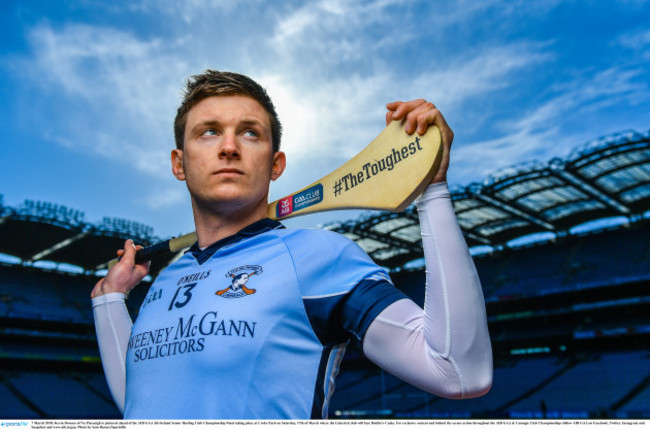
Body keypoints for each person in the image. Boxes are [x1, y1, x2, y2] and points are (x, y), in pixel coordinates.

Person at [91, 70, 492, 419]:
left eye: (250, 132)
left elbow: (458, 371)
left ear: (275, 164)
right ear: (179, 163)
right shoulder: (167, 278)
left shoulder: (320, 257)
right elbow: (140, 401)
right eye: (209, 131)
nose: (229, 146)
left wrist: (433, 193)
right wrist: (109, 299)